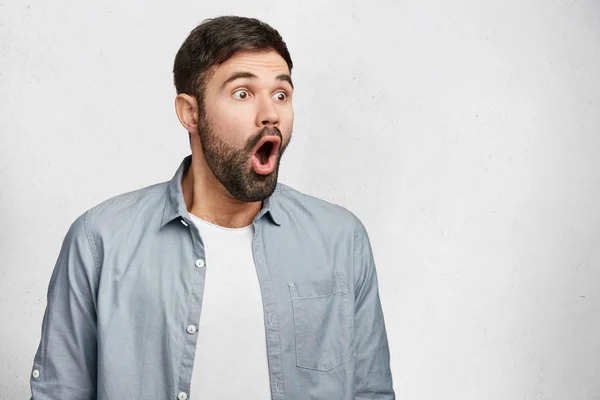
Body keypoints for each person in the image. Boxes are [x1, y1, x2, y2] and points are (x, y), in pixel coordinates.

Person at [29, 15, 395, 400]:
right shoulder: (100, 240)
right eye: (243, 93)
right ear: (191, 113)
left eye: (281, 94)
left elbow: (370, 390)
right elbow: (60, 392)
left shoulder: (341, 240)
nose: (270, 113)